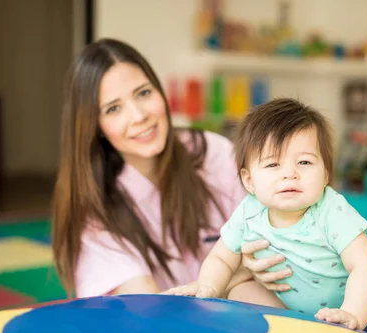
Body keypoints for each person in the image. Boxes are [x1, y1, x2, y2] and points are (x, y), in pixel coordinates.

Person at [167, 98, 367, 333]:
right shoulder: (248, 212)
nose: (290, 173)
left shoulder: (331, 210)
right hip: (289, 308)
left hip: (358, 304)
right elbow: (222, 258)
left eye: (304, 162)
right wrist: (208, 286)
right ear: (249, 181)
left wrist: (352, 314)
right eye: (273, 164)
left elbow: (365, 265)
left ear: (325, 174)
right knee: (241, 290)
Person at [51, 38, 287, 306]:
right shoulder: (94, 212)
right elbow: (150, 310)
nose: (139, 116)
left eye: (143, 93)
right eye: (113, 109)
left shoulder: (214, 153)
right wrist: (234, 277)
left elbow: (284, 246)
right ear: (95, 126)